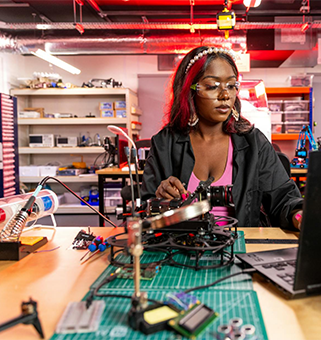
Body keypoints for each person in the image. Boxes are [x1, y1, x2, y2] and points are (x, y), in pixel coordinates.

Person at [141, 46, 303, 230]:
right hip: (181, 249)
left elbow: (284, 199)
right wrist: (160, 201)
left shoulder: (254, 144)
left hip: (241, 251)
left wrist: (299, 215)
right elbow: (144, 213)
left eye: (232, 85)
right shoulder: (165, 144)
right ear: (190, 90)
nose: (225, 95)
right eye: (212, 86)